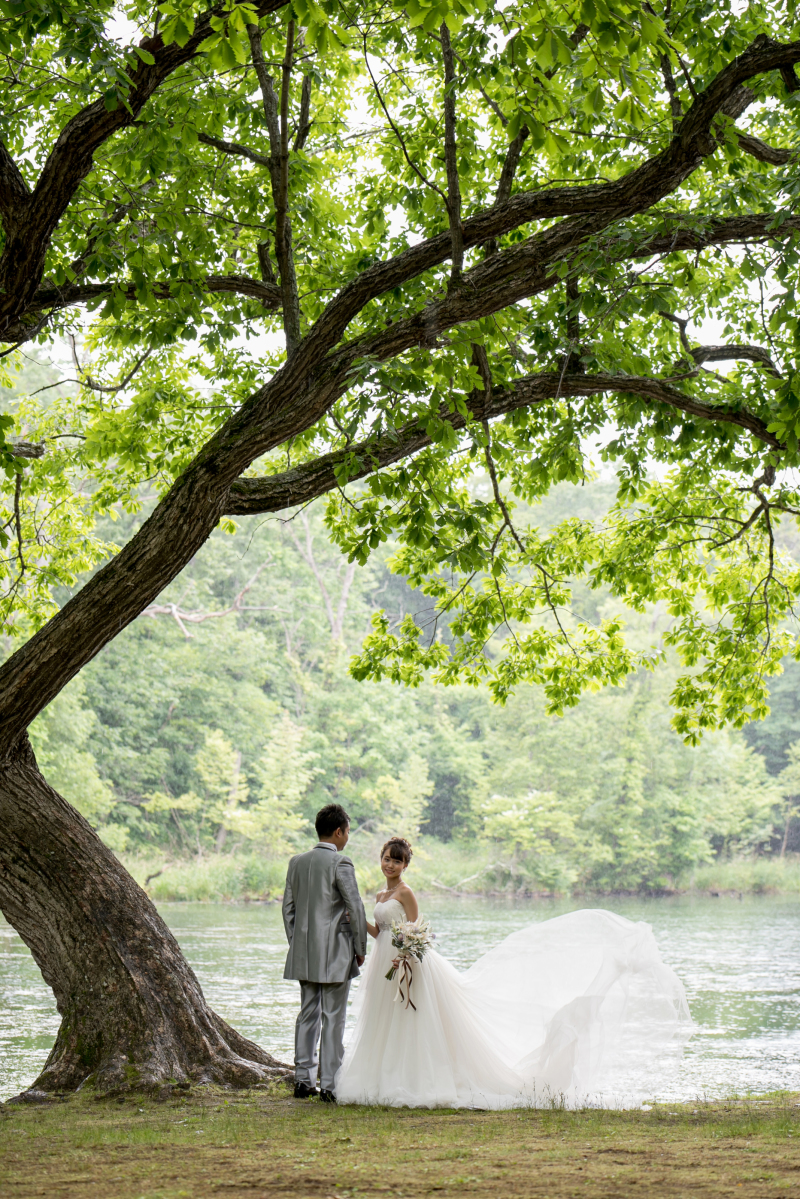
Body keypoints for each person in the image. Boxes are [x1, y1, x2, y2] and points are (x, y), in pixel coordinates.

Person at [335, 837, 693, 1109]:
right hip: (384, 963)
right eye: (386, 859)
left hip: (408, 965)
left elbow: (416, 931)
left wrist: (407, 956)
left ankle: (415, 1078)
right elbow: (382, 932)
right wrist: (358, 922)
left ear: (405, 865)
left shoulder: (407, 893)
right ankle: (382, 1076)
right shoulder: (381, 895)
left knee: (413, 1021)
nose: (390, 865)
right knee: (385, 1021)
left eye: (396, 861)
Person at [282, 803, 367, 1103]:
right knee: (334, 1018)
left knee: (307, 1015)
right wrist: (360, 948)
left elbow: (288, 910)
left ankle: (303, 1080)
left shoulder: (297, 862)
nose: (347, 837)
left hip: (304, 953)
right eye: (346, 831)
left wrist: (298, 944)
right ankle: (330, 1085)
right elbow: (355, 907)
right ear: (338, 831)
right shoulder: (340, 863)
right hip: (336, 955)